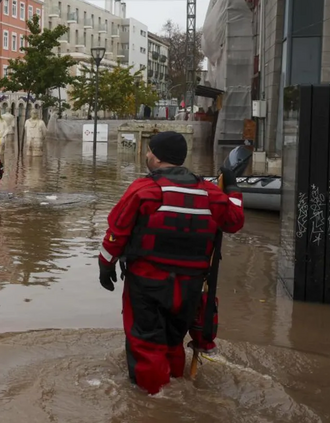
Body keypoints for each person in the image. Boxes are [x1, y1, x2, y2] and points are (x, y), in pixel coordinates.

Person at [98, 131, 244, 395]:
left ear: (156, 157)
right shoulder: (209, 192)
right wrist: (233, 190)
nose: (147, 154)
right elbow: (234, 221)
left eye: (148, 151)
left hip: (147, 283)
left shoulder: (143, 190)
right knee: (173, 340)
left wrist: (105, 265)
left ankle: (153, 401)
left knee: (146, 343)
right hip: (190, 286)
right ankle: (176, 387)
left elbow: (116, 233)